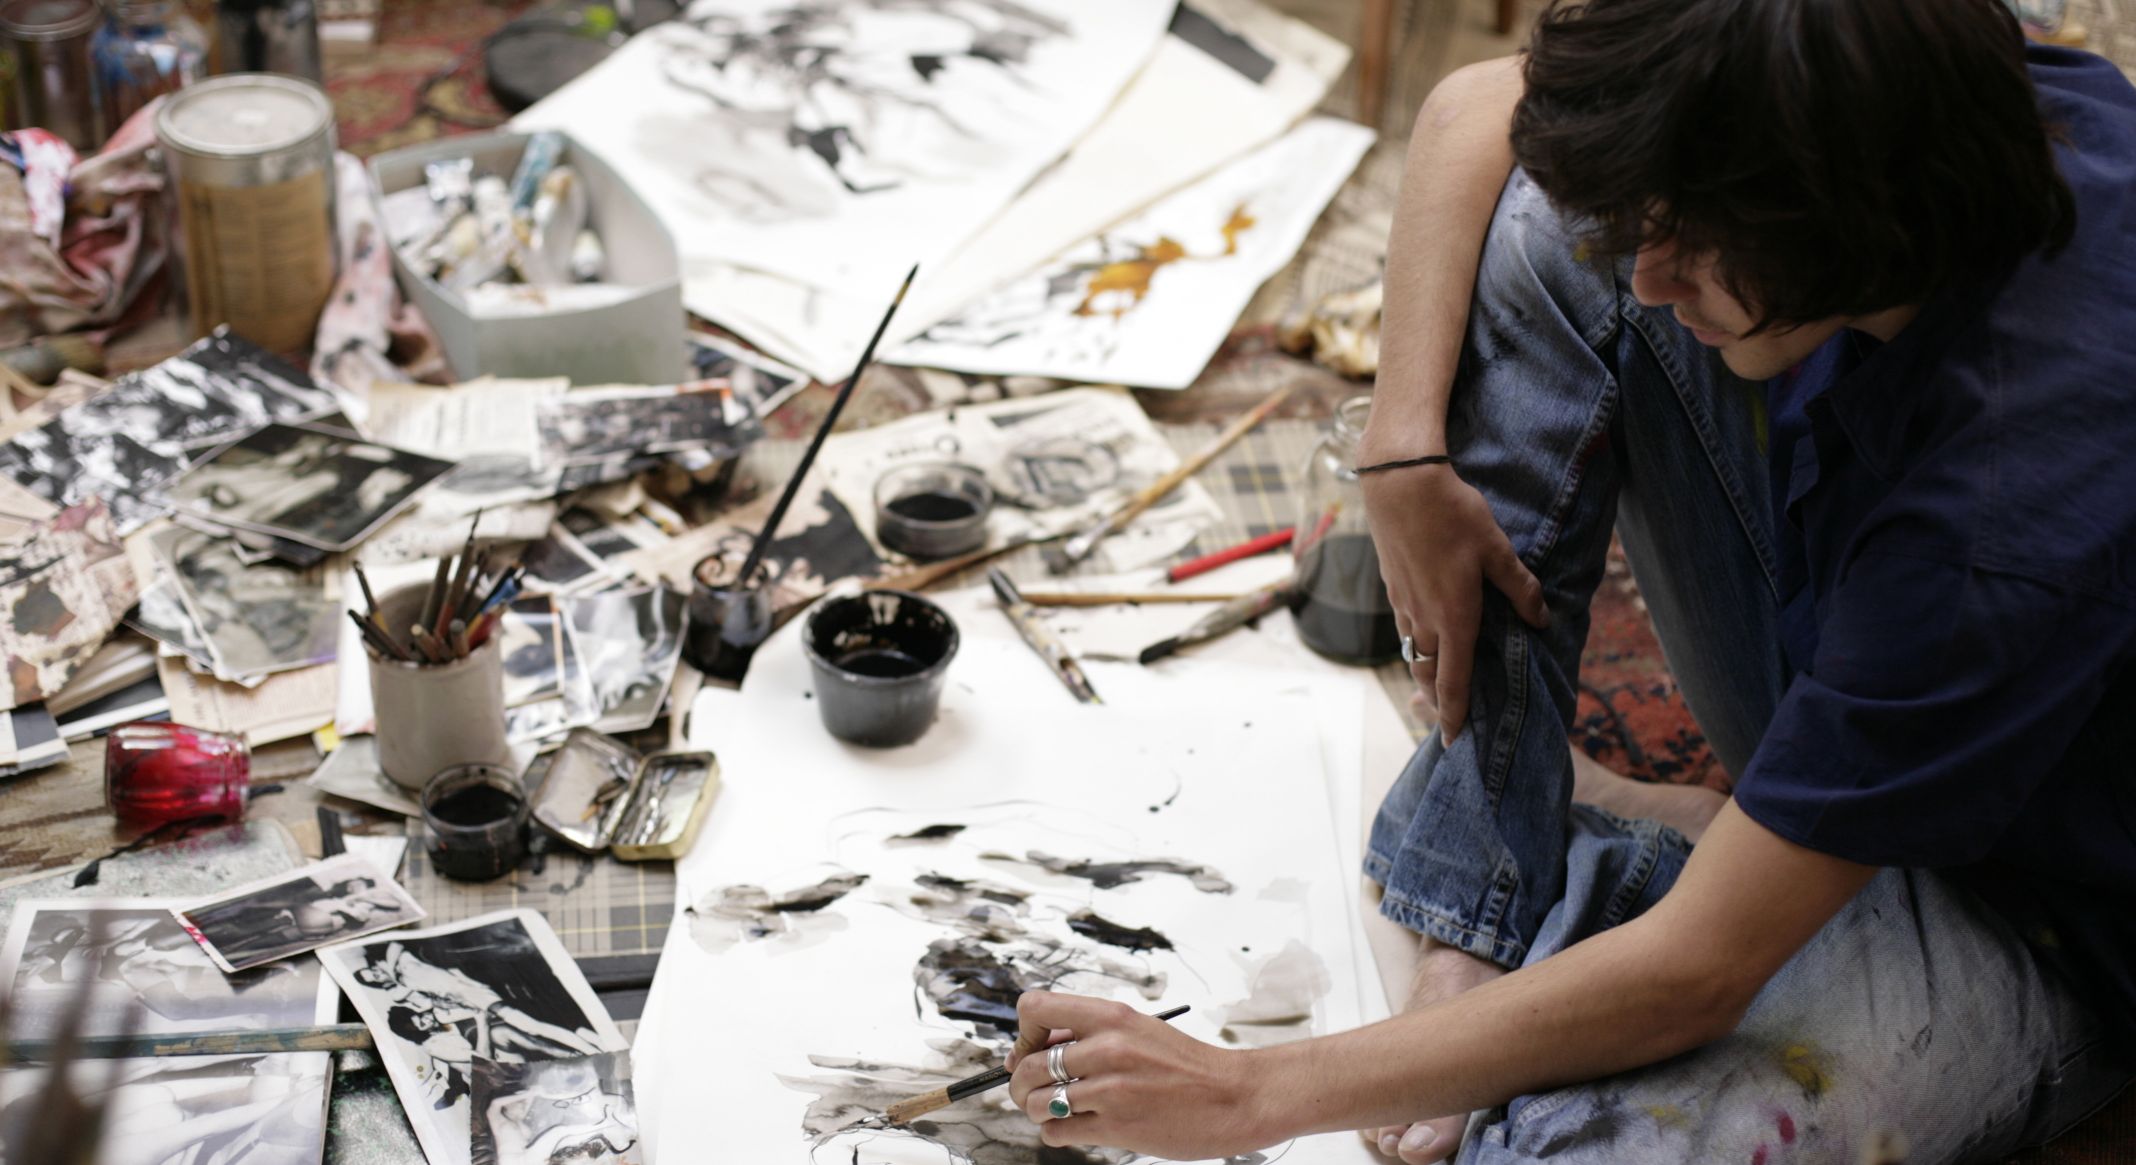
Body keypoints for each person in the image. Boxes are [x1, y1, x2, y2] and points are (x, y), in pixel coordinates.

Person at [1003, 0, 2136, 1161]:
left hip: (2034, 903)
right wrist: (1401, 450)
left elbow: (1696, 977)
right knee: (1559, 215)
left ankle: (1723, 859)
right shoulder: (1914, 81)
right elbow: (1476, 110)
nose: (1649, 278)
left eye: (1695, 242)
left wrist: (1248, 1094)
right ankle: (1511, 893)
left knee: (1575, 1146)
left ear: (1854, 216)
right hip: (1879, 639)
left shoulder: (1999, 526)